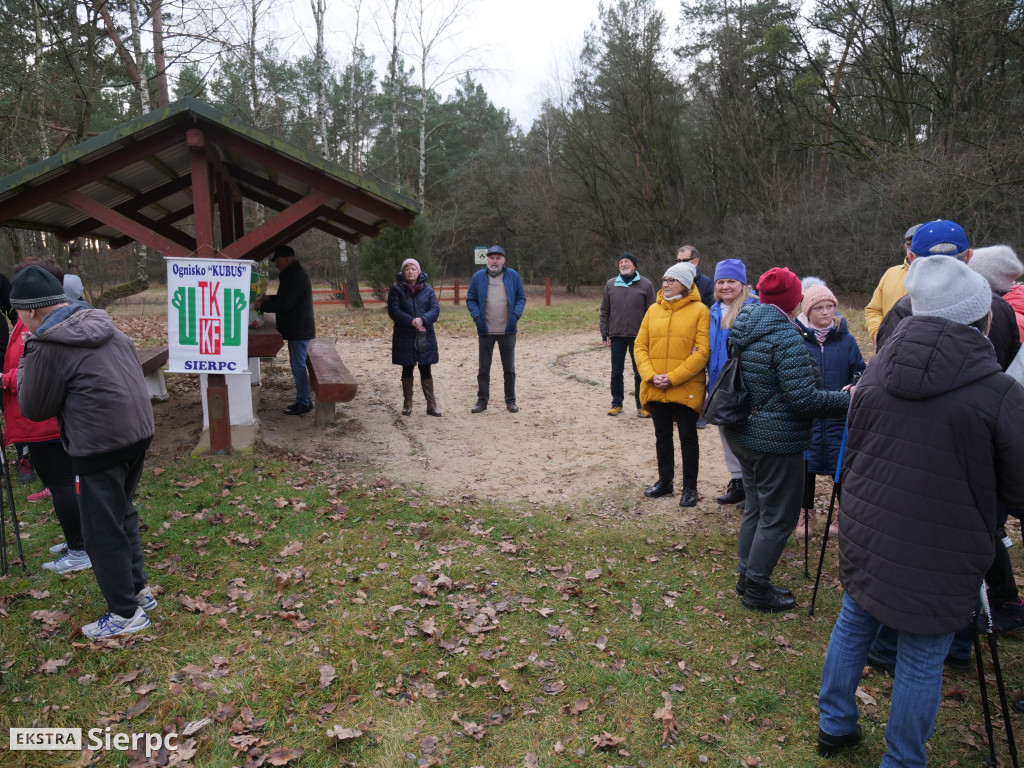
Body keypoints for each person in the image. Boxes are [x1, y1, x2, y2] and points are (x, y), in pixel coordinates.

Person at [816, 255, 1024, 764]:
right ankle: (902, 758)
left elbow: (857, 449)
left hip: (870, 527)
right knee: (923, 652)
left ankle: (835, 725)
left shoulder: (875, 372)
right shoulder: (998, 393)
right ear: (985, 318)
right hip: (944, 546)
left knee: (854, 621)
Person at [13, 265, 157, 639]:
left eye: (17, 312)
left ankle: (125, 613)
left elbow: (34, 407)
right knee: (121, 511)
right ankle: (138, 589)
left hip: (97, 445)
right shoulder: (103, 323)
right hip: (136, 434)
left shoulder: (45, 345)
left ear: (28, 311)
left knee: (98, 530)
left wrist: (27, 359)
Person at [724, 267, 850, 612]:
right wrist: (850, 399)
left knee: (756, 508)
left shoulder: (746, 324)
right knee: (778, 517)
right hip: (774, 441)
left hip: (742, 433)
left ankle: (746, 576)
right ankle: (757, 589)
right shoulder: (785, 337)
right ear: (796, 301)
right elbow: (804, 400)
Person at [1, 260, 85, 570]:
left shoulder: (36, 325)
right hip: (32, 417)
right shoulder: (28, 322)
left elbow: (37, 373)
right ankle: (79, 537)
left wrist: (4, 379)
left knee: (61, 482)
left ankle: (80, 549)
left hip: (41, 420)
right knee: (63, 481)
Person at [875, 222, 1021, 369]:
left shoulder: (902, 310)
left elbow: (883, 371)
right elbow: (1014, 370)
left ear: (911, 257)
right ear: (969, 256)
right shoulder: (999, 307)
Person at [633, 261, 710, 508]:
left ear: (685, 284)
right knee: (662, 435)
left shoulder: (700, 311)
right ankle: (665, 482)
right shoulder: (653, 310)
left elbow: (702, 352)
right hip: (655, 383)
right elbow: (640, 345)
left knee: (688, 437)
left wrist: (673, 377)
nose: (665, 284)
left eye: (671, 280)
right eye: (664, 279)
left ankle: (690, 488)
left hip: (685, 385)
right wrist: (650, 374)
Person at [793, 283, 865, 538]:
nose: (826, 312)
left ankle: (843, 513)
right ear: (807, 311)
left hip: (838, 415)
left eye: (830, 307)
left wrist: (855, 384)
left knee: (842, 466)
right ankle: (805, 512)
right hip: (809, 416)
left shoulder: (846, 340)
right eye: (819, 308)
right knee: (806, 467)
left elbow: (860, 370)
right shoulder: (797, 340)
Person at [706, 259, 757, 505]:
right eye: (721, 282)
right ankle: (737, 482)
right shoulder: (712, 311)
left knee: (746, 436)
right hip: (719, 383)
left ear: (742, 283)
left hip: (744, 384)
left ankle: (752, 486)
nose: (726, 286)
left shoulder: (753, 309)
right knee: (725, 432)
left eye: (731, 281)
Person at [254, 245, 315, 415]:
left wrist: (263, 306)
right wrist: (270, 298)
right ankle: (304, 400)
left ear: (286, 259)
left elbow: (287, 303)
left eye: (277, 261)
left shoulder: (295, 276)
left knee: (298, 366)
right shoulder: (293, 274)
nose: (276, 265)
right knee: (297, 365)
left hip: (299, 329)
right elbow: (286, 297)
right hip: (298, 328)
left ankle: (304, 402)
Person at [466, 245, 526, 413]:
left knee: (509, 368)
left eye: (498, 258)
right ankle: (482, 401)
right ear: (487, 259)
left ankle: (510, 400)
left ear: (503, 260)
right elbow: (470, 299)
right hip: (485, 330)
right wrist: (477, 318)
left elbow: (521, 297)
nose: (494, 261)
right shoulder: (478, 277)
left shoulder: (512, 276)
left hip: (507, 330)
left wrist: (515, 316)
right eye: (491, 258)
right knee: (483, 368)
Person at [600, 252, 656, 418]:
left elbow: (653, 311)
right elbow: (605, 311)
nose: (623, 264)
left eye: (627, 262)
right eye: (621, 262)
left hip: (639, 336)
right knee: (616, 371)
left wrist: (651, 335)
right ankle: (616, 403)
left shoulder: (646, 284)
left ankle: (642, 405)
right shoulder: (611, 284)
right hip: (616, 334)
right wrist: (605, 333)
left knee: (640, 372)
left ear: (634, 265)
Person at [388, 258, 442, 417]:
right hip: (404, 334)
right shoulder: (396, 289)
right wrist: (411, 321)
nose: (410, 271)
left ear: (418, 271)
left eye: (413, 269)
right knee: (407, 367)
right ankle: (407, 403)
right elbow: (394, 311)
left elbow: (435, 309)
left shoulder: (428, 289)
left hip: (424, 333)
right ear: (403, 272)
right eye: (407, 269)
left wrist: (422, 319)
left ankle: (431, 405)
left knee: (425, 367)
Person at [863, 223, 922, 343]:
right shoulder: (890, 273)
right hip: (887, 350)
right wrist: (878, 333)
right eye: (911, 245)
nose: (915, 250)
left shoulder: (942, 278)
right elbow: (873, 310)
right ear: (906, 247)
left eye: (920, 244)